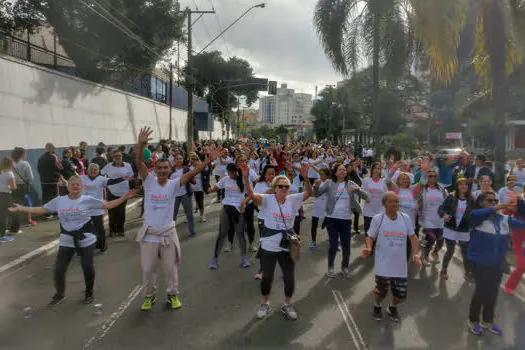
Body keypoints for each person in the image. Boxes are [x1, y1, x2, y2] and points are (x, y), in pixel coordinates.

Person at [9, 175, 134, 305]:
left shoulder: (87, 200)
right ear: (68, 187)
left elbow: (107, 205)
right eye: (72, 184)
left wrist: (124, 197)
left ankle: (89, 293)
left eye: (78, 184)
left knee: (87, 266)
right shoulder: (59, 200)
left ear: (82, 187)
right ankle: (60, 293)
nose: (75, 186)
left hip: (86, 237)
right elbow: (42, 209)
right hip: (67, 238)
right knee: (59, 269)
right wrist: (21, 208)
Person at [134, 127, 219, 311]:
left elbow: (193, 173)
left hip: (167, 233)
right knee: (148, 269)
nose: (163, 170)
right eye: (159, 168)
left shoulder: (174, 184)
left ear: (170, 169)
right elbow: (139, 162)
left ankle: (172, 295)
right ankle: (149, 296)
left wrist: (208, 160)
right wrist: (141, 145)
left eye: (166, 168)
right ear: (154, 170)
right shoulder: (148, 182)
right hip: (149, 234)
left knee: (170, 269)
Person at [244, 163, 312, 321]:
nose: (283, 189)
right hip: (269, 246)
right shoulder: (268, 199)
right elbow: (252, 196)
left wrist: (306, 177)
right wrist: (246, 178)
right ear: (274, 188)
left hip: (286, 246)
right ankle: (264, 303)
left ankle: (287, 304)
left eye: (286, 187)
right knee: (267, 277)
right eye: (280, 186)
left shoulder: (293, 200)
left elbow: (309, 192)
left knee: (289, 278)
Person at [466, 192, 525, 335]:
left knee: (492, 293)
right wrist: (502, 205)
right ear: (481, 202)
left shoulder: (504, 218)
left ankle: (487, 321)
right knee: (481, 292)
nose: (493, 203)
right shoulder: (476, 216)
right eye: (490, 200)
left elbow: (522, 224)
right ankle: (472, 320)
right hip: (479, 262)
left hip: (496, 263)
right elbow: (483, 212)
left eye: (495, 200)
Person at [362, 191, 421, 322]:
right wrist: (369, 248)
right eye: (391, 201)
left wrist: (415, 253)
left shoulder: (405, 218)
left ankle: (392, 307)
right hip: (383, 263)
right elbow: (370, 236)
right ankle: (377, 306)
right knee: (381, 291)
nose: (395, 204)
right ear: (384, 204)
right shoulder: (378, 218)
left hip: (400, 265)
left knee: (401, 295)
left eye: (397, 201)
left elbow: (413, 237)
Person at [315, 164, 368, 278]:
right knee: (333, 245)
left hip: (346, 220)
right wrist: (316, 186)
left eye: (344, 170)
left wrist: (358, 189)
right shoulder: (329, 183)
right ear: (335, 172)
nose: (343, 171)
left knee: (346, 246)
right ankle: (330, 268)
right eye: (340, 169)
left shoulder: (350, 184)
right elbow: (316, 194)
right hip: (332, 219)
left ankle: (345, 268)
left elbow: (365, 196)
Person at [207, 162, 250, 269]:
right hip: (226, 208)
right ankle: (215, 259)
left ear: (236, 171)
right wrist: (209, 188)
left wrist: (244, 202)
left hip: (238, 210)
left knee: (240, 234)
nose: (231, 174)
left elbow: (250, 194)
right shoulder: (225, 179)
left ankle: (244, 258)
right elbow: (214, 188)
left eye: (232, 172)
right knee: (222, 234)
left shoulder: (244, 179)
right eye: (229, 172)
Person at [438, 178, 475, 280]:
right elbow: (441, 209)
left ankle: (468, 272)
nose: (464, 186)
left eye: (466, 184)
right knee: (450, 250)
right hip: (451, 228)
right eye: (461, 184)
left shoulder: (471, 200)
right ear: (457, 186)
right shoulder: (451, 197)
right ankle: (443, 270)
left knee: (465, 252)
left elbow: (476, 213)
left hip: (464, 230)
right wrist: (444, 215)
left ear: (468, 187)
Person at [101, 149, 134, 237]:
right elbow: (102, 173)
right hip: (111, 192)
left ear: (122, 157)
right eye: (116, 156)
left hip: (124, 192)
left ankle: (120, 229)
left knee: (121, 212)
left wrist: (131, 182)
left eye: (119, 156)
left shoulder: (127, 165)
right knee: (111, 211)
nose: (118, 157)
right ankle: (112, 230)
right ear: (113, 157)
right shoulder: (108, 166)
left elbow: (131, 175)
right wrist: (105, 183)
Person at [252, 165, 277, 280]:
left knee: (274, 245)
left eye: (273, 174)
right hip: (263, 219)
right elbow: (256, 203)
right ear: (264, 174)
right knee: (264, 244)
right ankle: (262, 268)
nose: (271, 176)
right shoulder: (259, 185)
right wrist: (269, 192)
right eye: (268, 174)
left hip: (277, 219)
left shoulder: (280, 185)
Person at [419, 169, 448, 266]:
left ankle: (434, 252)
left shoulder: (442, 189)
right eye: (430, 176)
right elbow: (418, 202)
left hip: (440, 219)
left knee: (440, 240)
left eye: (434, 176)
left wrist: (446, 214)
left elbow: (447, 203)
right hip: (427, 219)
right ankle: (425, 256)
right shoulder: (422, 188)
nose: (432, 178)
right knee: (431, 238)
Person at [81, 164, 109, 253]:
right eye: (91, 169)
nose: (93, 171)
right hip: (84, 208)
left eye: (95, 169)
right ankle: (85, 247)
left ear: (98, 171)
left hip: (97, 208)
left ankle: (101, 245)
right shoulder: (81, 178)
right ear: (87, 170)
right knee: (84, 228)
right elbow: (71, 184)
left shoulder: (102, 179)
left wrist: (123, 179)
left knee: (99, 228)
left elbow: (112, 182)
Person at [10, 147, 35, 233]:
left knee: (13, 205)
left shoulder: (10, 163)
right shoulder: (25, 164)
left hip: (11, 186)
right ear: (21, 154)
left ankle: (13, 226)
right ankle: (19, 226)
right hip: (22, 187)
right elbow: (30, 177)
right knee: (22, 205)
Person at [170, 154, 196, 237]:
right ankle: (171, 233)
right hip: (174, 196)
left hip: (185, 194)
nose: (179, 160)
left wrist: (192, 179)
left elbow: (193, 180)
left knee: (189, 213)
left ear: (183, 160)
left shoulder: (186, 169)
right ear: (174, 160)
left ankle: (191, 231)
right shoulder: (170, 170)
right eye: (177, 159)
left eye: (180, 158)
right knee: (172, 215)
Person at [310, 167, 330, 248]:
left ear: (327, 175)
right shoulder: (317, 182)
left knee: (330, 225)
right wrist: (316, 186)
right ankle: (313, 241)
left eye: (323, 174)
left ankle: (333, 240)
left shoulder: (331, 183)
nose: (321, 176)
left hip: (327, 208)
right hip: (317, 207)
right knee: (314, 225)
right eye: (320, 174)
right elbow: (313, 194)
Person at [0, 157, 16, 242]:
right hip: (5, 195)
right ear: (10, 164)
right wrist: (8, 187)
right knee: (3, 215)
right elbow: (14, 187)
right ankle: (2, 236)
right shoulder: (10, 174)